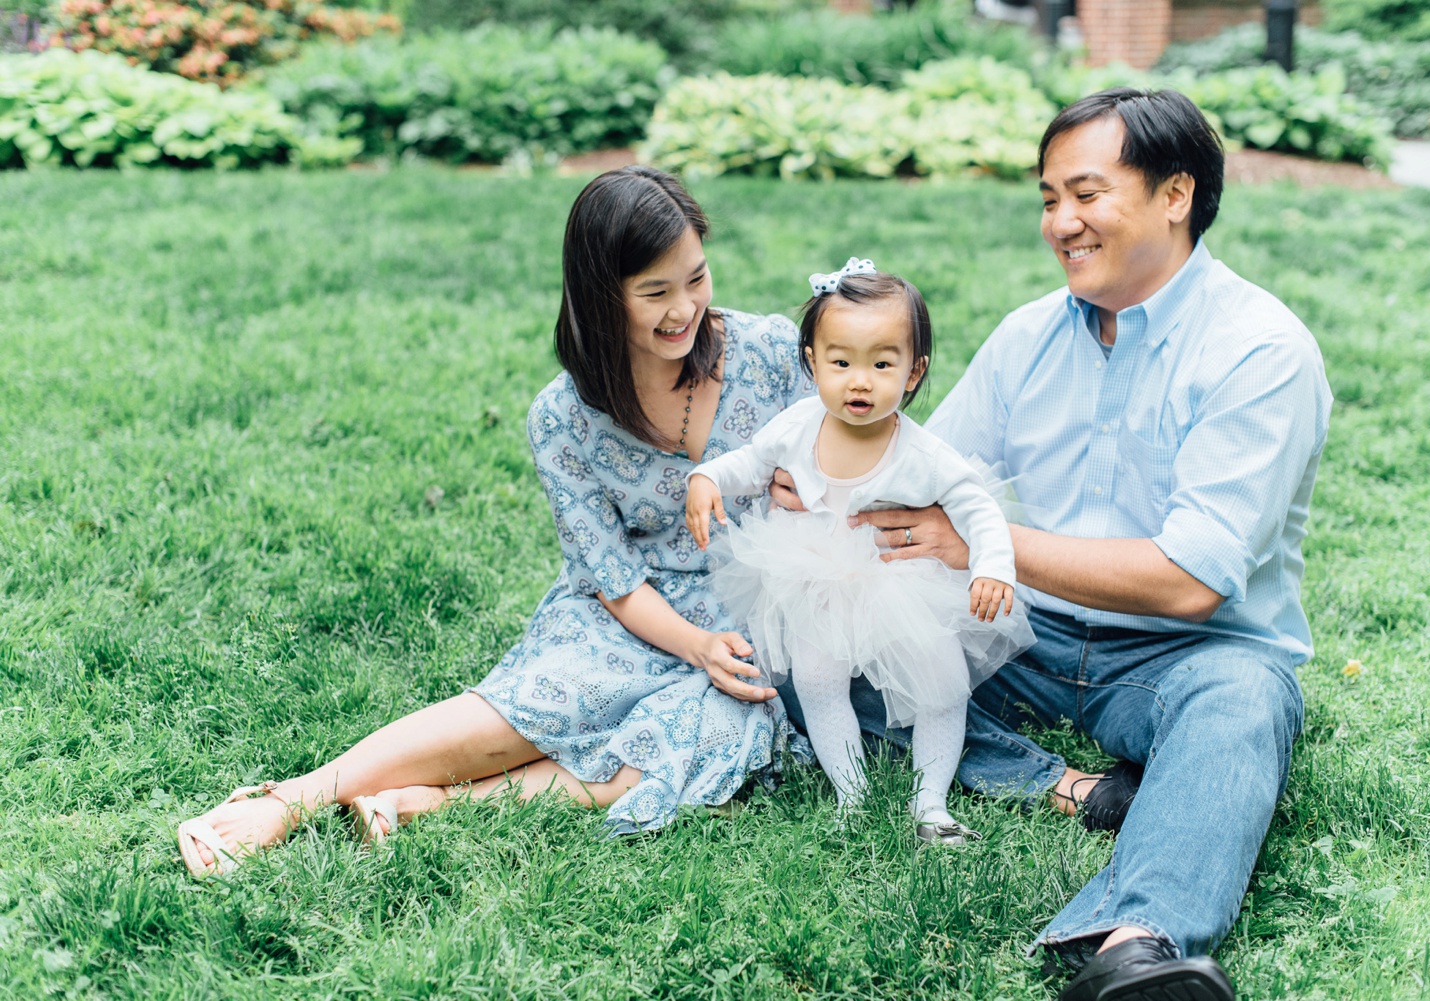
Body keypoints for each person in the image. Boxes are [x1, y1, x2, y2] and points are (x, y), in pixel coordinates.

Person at [773, 88, 1331, 1001]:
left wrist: (979, 545)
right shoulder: (1028, 336)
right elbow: (917, 474)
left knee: (1244, 703)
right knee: (817, 654)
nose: (1059, 223)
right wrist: (824, 479)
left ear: (1175, 194)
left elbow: (1192, 582)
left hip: (1186, 651)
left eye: (1084, 194)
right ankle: (1071, 788)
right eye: (1047, 199)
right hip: (1024, 634)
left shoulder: (1259, 351)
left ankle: (1133, 946)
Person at [176, 165, 816, 876]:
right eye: (654, 292)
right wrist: (695, 645)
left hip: (759, 604)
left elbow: (860, 450)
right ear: (603, 296)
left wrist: (812, 485)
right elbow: (613, 578)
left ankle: (426, 802)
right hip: (633, 609)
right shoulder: (563, 417)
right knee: (543, 704)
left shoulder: (773, 352)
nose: (684, 309)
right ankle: (289, 800)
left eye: (696, 279)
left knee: (714, 732)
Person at [685, 261, 1035, 846]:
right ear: (812, 361)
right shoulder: (798, 425)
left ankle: (932, 805)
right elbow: (750, 462)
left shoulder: (922, 452)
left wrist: (993, 565)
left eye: (882, 363)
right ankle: (852, 795)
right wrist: (707, 478)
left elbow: (977, 507)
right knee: (820, 684)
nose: (860, 381)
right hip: (816, 579)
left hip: (897, 584)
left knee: (944, 684)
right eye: (841, 362)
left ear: (914, 371)